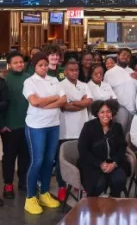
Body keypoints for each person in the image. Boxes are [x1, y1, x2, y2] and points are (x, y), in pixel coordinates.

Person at [23, 52, 67, 215]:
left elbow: (63, 99)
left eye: (45, 64)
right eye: (40, 65)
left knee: (50, 160)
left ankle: (44, 193)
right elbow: (34, 102)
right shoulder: (29, 82)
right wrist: (54, 98)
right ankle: (30, 198)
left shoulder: (54, 80)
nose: (43, 67)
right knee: (37, 161)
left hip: (53, 125)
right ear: (34, 66)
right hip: (36, 126)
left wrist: (46, 103)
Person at [56, 59, 94, 201]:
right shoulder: (60, 86)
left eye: (76, 70)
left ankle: (79, 185)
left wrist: (74, 102)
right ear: (65, 72)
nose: (74, 72)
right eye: (71, 70)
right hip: (65, 130)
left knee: (81, 159)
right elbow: (64, 106)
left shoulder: (84, 85)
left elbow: (89, 101)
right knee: (63, 160)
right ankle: (61, 187)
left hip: (81, 129)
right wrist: (81, 103)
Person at [78, 99, 128, 198]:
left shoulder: (117, 127)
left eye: (108, 111)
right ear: (97, 113)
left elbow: (122, 148)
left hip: (113, 163)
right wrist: (100, 164)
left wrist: (114, 164)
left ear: (112, 112)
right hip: (93, 164)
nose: (106, 115)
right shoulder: (88, 126)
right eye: (102, 112)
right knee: (98, 184)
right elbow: (83, 150)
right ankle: (93, 206)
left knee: (119, 179)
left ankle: (113, 202)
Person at [1, 52, 28, 199]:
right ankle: (8, 184)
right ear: (9, 65)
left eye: (21, 62)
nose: (19, 64)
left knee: (25, 157)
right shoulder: (4, 80)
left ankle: (23, 181)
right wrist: (2, 124)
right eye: (16, 62)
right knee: (9, 157)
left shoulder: (29, 78)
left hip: (27, 126)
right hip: (10, 126)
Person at [104, 48, 137, 115]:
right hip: (119, 109)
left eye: (128, 56)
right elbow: (106, 92)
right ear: (118, 56)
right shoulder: (109, 73)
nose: (126, 57)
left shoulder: (132, 71)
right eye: (124, 55)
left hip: (134, 109)